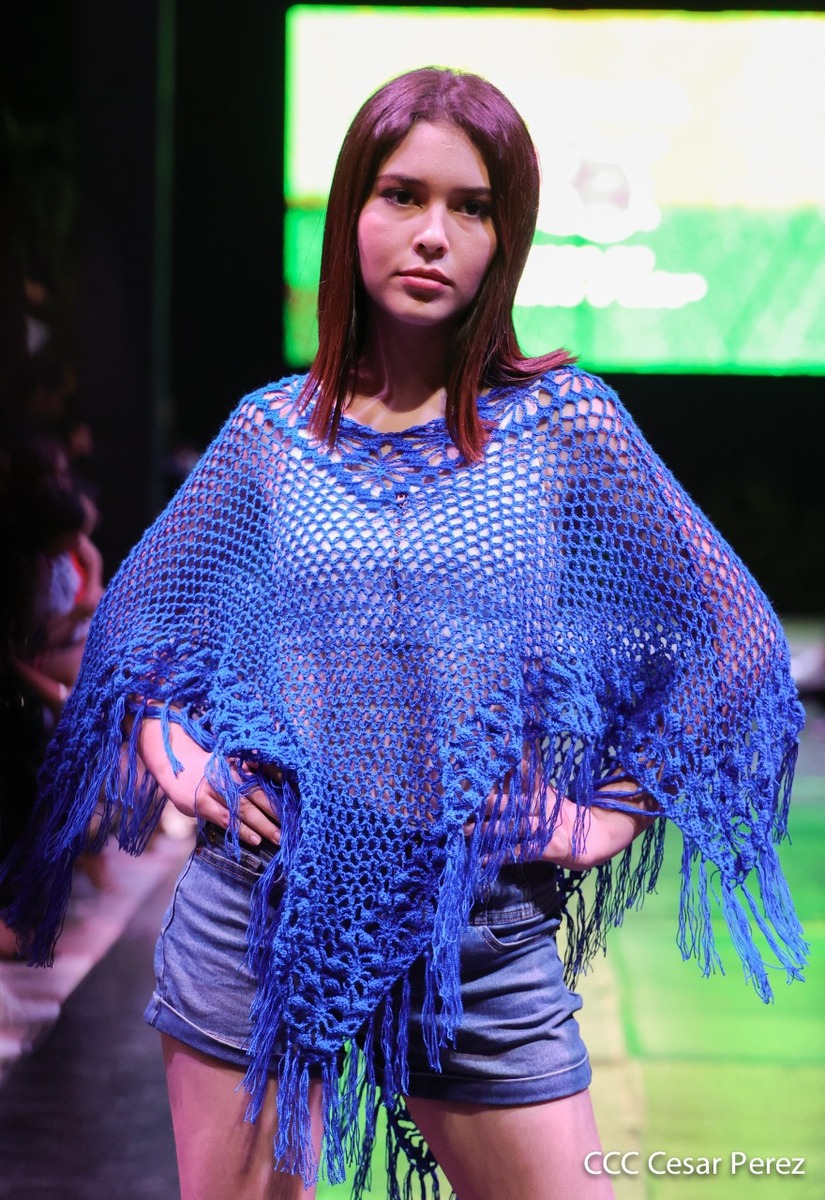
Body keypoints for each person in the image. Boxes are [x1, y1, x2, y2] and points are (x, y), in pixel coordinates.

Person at [0, 68, 806, 1200]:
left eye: (471, 207)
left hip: (478, 925)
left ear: (505, 237)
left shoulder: (564, 425)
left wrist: (600, 819)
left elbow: (734, 643)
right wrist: (187, 771)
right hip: (258, 912)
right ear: (352, 213)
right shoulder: (272, 434)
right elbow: (140, 642)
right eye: (402, 195)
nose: (433, 234)